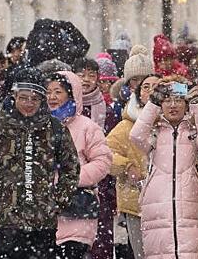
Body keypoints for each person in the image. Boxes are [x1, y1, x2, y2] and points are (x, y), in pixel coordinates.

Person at [0, 68, 80, 259]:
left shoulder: (55, 128)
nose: (29, 104)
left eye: (35, 98)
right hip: (6, 224)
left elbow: (71, 168)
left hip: (43, 224)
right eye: (24, 97)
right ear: (14, 96)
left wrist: (57, 201)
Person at [130, 75, 198, 258]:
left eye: (178, 100)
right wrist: (152, 102)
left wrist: (197, 103)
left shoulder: (193, 134)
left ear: (186, 104)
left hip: (189, 208)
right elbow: (135, 136)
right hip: (157, 208)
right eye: (167, 100)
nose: (173, 105)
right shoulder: (154, 133)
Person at [45, 71, 113, 258]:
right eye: (48, 91)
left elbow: (103, 162)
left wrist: (71, 178)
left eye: (57, 92)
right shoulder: (38, 126)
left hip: (76, 210)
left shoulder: (87, 127)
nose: (52, 97)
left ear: (71, 93)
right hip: (44, 213)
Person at [107, 74, 161, 259]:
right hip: (136, 203)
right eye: (146, 87)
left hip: (169, 203)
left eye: (157, 86)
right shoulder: (126, 126)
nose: (151, 90)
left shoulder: (174, 124)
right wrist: (127, 166)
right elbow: (105, 155)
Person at [72, 58, 119, 259]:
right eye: (82, 75)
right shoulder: (66, 109)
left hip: (103, 184)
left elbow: (111, 147)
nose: (86, 80)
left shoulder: (107, 110)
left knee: (101, 241)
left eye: (91, 75)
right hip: (72, 184)